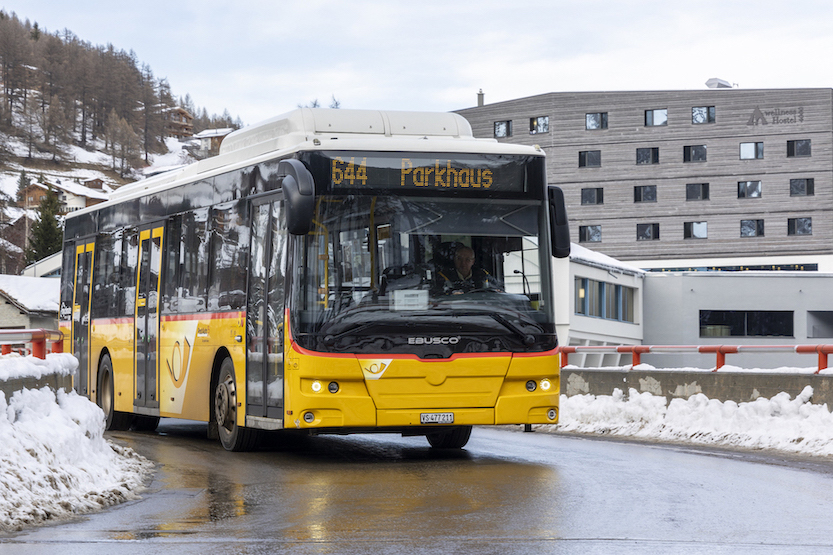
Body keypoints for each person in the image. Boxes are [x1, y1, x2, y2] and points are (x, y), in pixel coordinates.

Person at [435, 246, 501, 294]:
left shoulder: (483, 275)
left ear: (473, 261)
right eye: (459, 259)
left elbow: (499, 290)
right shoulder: (443, 276)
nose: (463, 263)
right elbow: (436, 295)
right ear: (454, 259)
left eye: (467, 260)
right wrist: (451, 293)